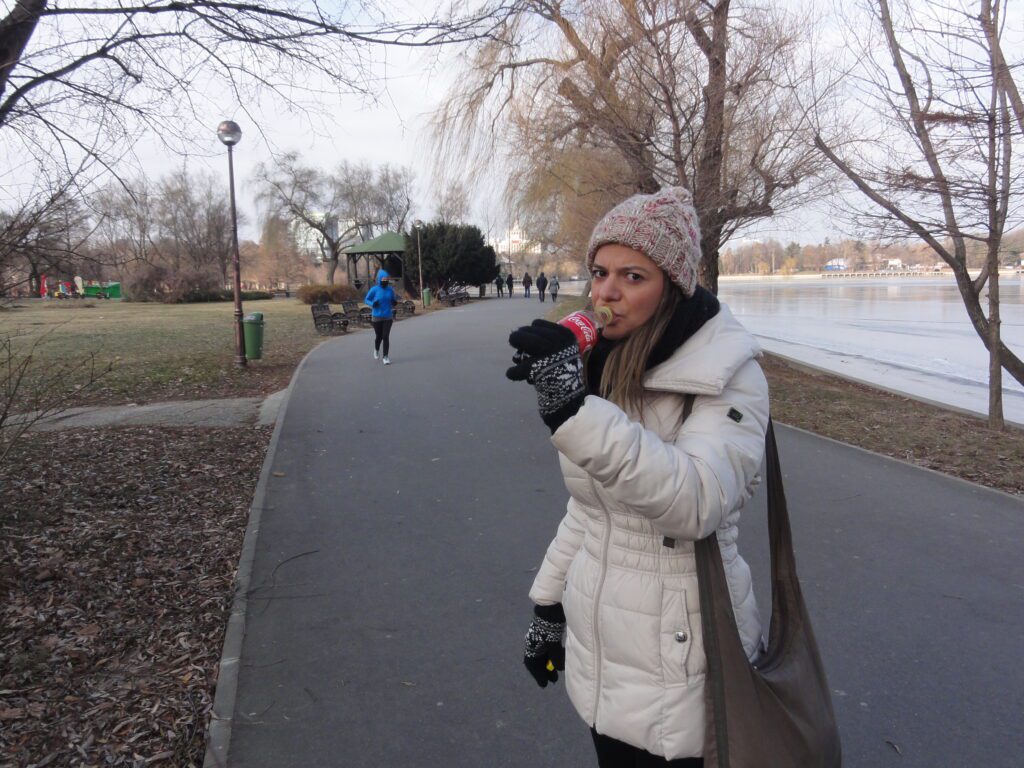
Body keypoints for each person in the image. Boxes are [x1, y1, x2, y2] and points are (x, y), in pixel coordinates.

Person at [506, 187, 769, 767]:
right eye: (600, 272)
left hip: (685, 659)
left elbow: (697, 502)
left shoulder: (730, 376)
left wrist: (574, 413)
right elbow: (591, 506)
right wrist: (549, 605)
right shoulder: (609, 362)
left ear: (673, 286)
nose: (606, 292)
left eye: (632, 276)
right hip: (605, 652)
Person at [364, 269, 399, 365]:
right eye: (383, 279)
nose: (385, 281)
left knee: (385, 336)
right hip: (377, 317)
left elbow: (393, 300)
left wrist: (394, 302)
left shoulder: (390, 290)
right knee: (379, 336)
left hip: (388, 316)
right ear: (379, 279)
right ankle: (376, 349)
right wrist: (372, 304)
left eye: (387, 279)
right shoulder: (374, 290)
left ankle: (385, 357)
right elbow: (366, 299)